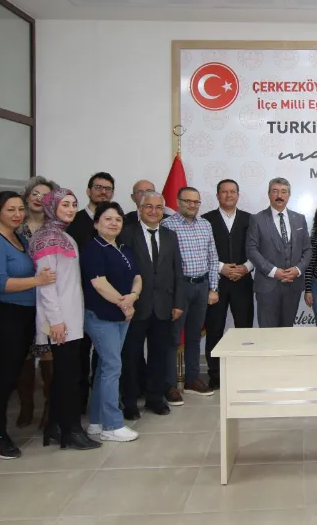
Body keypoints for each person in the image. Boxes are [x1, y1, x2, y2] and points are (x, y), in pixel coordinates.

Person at [0, 192, 54, 459]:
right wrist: (37, 281)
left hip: (24, 315)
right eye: (11, 210)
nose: (18, 214)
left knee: (11, 374)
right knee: (4, 376)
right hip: (4, 316)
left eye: (20, 209)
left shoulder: (19, 238)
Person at [32, 188, 101, 451]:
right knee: (68, 376)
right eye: (64, 205)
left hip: (71, 316)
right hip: (59, 320)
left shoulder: (64, 236)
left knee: (67, 374)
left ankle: (57, 425)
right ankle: (71, 430)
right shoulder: (46, 238)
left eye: (73, 204)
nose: (71, 209)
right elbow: (46, 285)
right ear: (51, 207)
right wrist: (56, 321)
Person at [120, 192, 186, 416]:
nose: (153, 211)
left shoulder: (170, 235)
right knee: (131, 357)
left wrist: (178, 303)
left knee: (159, 356)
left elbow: (177, 271)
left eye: (158, 207)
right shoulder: (127, 233)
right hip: (136, 306)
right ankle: (129, 402)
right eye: (148, 206)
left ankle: (155, 398)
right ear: (140, 209)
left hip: (164, 307)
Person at [81, 202, 142, 442]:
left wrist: (133, 296)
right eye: (108, 219)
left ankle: (96, 422)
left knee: (105, 368)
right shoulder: (93, 248)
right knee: (112, 367)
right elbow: (99, 284)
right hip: (101, 316)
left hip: (122, 315)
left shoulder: (123, 248)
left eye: (118, 219)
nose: (114, 223)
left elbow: (137, 277)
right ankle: (112, 425)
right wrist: (125, 304)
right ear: (96, 223)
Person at [66, 171, 115, 413]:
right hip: (78, 297)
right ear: (88, 191)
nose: (103, 192)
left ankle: (99, 402)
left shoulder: (115, 222)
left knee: (105, 356)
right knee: (80, 352)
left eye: (107, 188)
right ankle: (78, 403)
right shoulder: (73, 221)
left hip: (107, 298)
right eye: (98, 187)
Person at [163, 186, 220, 396]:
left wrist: (213, 287)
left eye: (196, 202)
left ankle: (192, 380)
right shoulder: (167, 225)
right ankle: (169, 384)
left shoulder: (205, 225)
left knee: (195, 336)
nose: (192, 205)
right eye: (188, 201)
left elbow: (212, 257)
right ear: (178, 202)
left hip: (202, 286)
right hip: (179, 289)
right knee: (173, 337)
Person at [202, 179, 254, 391]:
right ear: (217, 195)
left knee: (244, 329)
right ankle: (215, 375)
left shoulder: (251, 220)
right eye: (224, 192)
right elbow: (202, 250)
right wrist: (221, 267)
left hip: (243, 281)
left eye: (233, 191)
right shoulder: (206, 220)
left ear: (238, 195)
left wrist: (247, 267)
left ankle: (243, 372)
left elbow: (257, 249)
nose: (229, 195)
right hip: (216, 283)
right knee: (214, 329)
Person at [15, 176, 59, 430]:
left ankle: (49, 408)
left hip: (49, 298)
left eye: (45, 195)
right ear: (27, 197)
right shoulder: (15, 228)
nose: (39, 198)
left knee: (47, 352)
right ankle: (26, 406)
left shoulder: (57, 229)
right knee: (23, 352)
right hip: (20, 297)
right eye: (35, 193)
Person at [247, 178, 312, 327]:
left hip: (293, 285)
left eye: (283, 192)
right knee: (268, 332)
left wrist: (297, 270)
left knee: (287, 331)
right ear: (269, 194)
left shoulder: (300, 219)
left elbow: (307, 249)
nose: (279, 195)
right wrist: (273, 271)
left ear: (289, 195)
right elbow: (251, 250)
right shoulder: (257, 219)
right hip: (267, 286)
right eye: (275, 191)